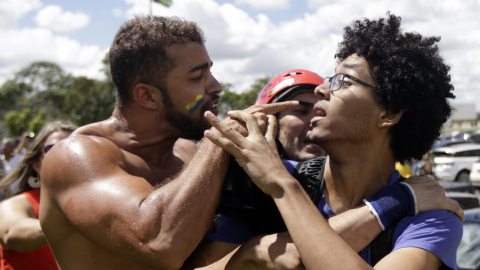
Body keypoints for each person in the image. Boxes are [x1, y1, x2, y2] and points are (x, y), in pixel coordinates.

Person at [204, 13, 462, 269]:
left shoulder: (430, 217)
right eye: (330, 79)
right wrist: (252, 252)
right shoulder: (263, 187)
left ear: (388, 113)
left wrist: (282, 185)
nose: (321, 90)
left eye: (344, 81)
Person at [38, 16, 296, 270]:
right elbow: (160, 244)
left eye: (210, 71)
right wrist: (219, 141)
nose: (216, 87)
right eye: (197, 77)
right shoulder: (76, 155)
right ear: (148, 96)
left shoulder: (186, 151)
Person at [0, 120, 77, 270]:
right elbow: (12, 233)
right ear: (36, 165)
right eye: (54, 149)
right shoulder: (16, 204)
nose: (68, 155)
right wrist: (75, 221)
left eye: (77, 147)